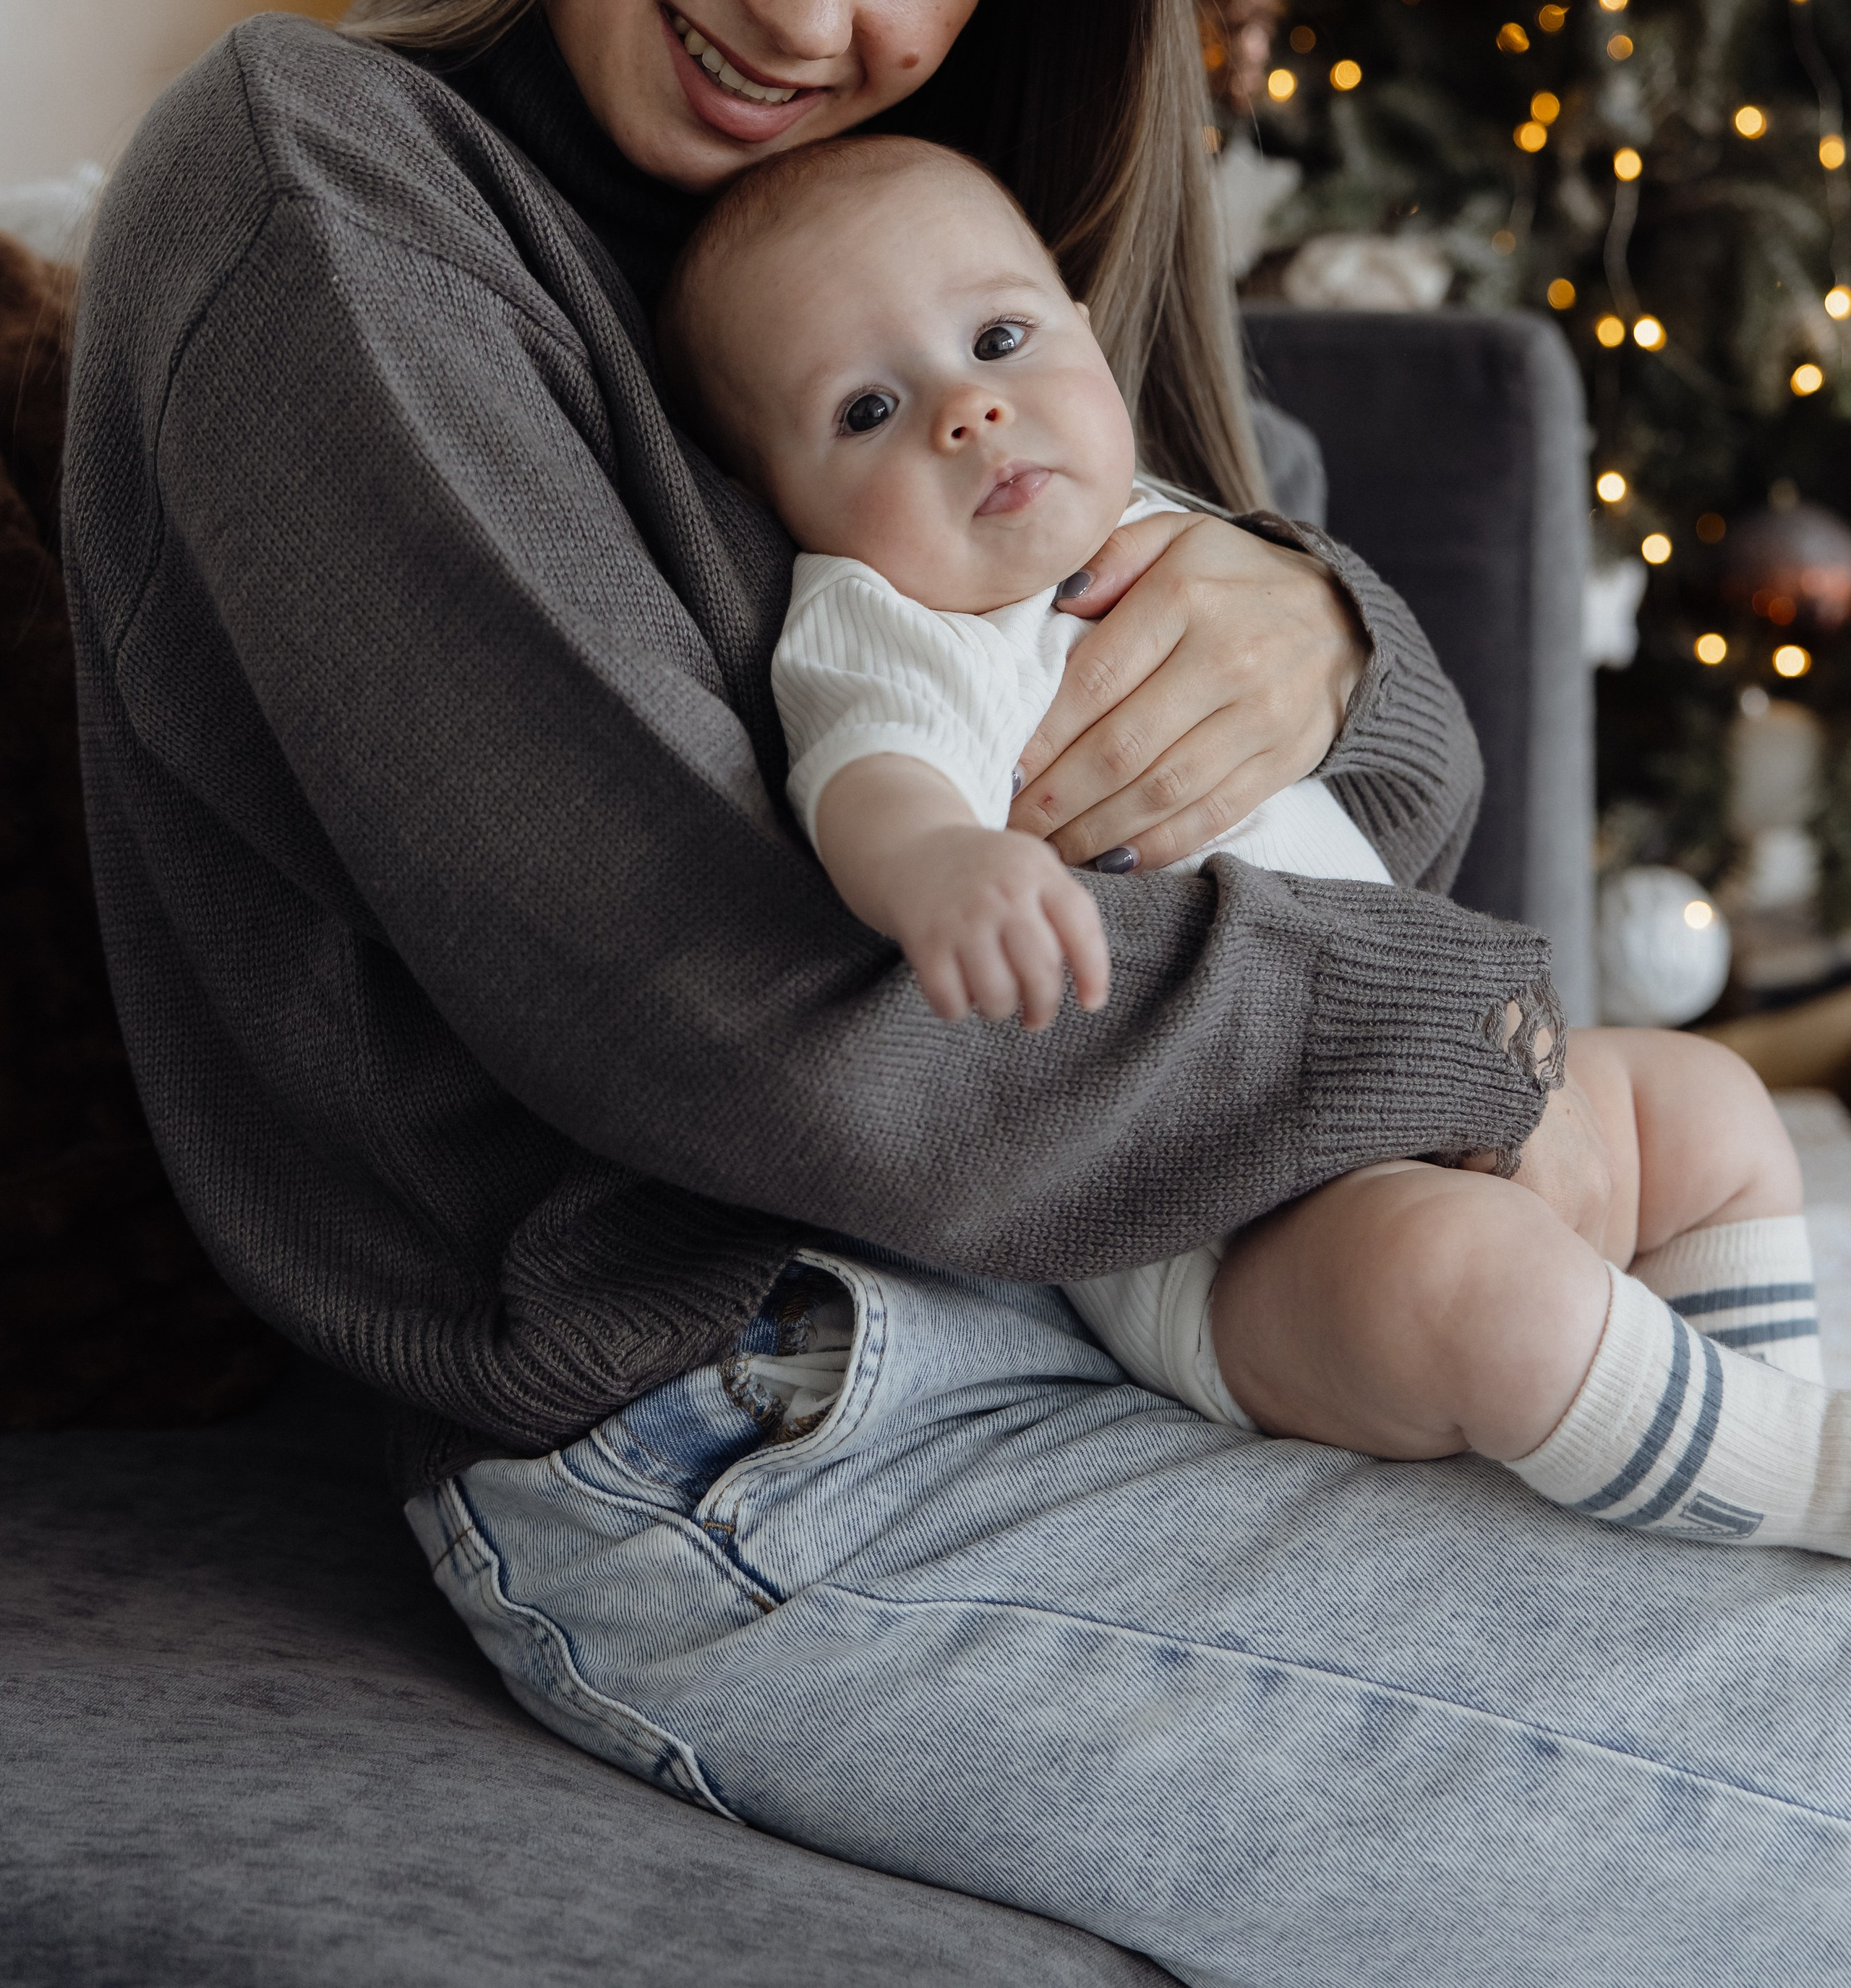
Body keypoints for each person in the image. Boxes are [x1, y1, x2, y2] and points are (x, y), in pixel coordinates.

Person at [61, 0, 1851, 1981]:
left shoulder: (946, 256)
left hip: (1190, 1302)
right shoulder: (323, 203)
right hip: (771, 1442)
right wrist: (1484, 1042)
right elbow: (775, 1034)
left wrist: (1323, 635)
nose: (810, 3)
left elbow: (1386, 768)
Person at [659, 126, 1844, 1550]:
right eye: (864, 411)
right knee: (1465, 1280)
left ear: (1089, 345)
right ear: (780, 504)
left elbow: (1399, 800)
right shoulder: (896, 619)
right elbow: (871, 772)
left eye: (996, 336)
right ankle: (1790, 1479)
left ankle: (1762, 1419)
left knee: (1702, 1101)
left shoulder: (1182, 532)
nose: (965, 413)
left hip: (1433, 1076)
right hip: (1237, 1231)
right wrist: (942, 867)